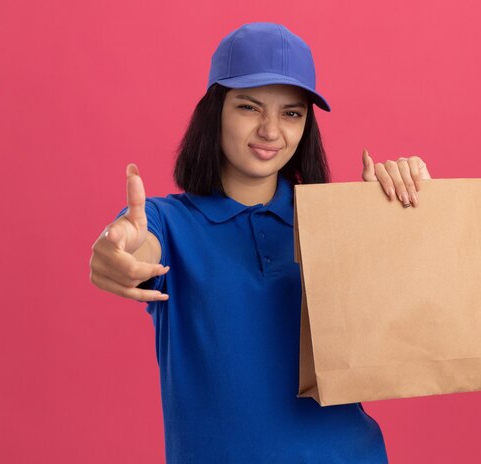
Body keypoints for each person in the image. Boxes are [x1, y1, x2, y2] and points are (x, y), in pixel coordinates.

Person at [90, 22, 431, 463]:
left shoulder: (332, 221)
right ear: (215, 111)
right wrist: (117, 252)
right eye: (250, 107)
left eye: (292, 113)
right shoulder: (167, 223)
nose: (271, 131)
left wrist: (398, 217)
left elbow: (401, 327)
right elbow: (135, 246)